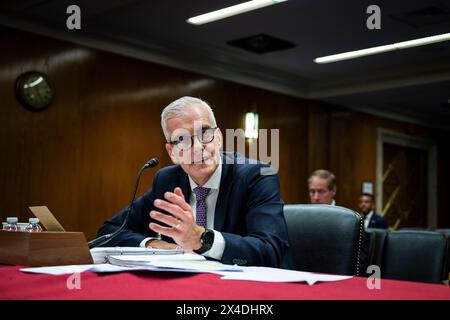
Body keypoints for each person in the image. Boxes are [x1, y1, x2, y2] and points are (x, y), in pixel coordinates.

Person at [97, 96, 292, 269]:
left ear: (218, 138)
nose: (198, 147)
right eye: (182, 139)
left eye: (205, 133)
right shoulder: (167, 180)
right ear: (171, 152)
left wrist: (202, 239)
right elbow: (109, 232)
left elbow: (270, 251)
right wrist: (155, 244)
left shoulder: (257, 176)